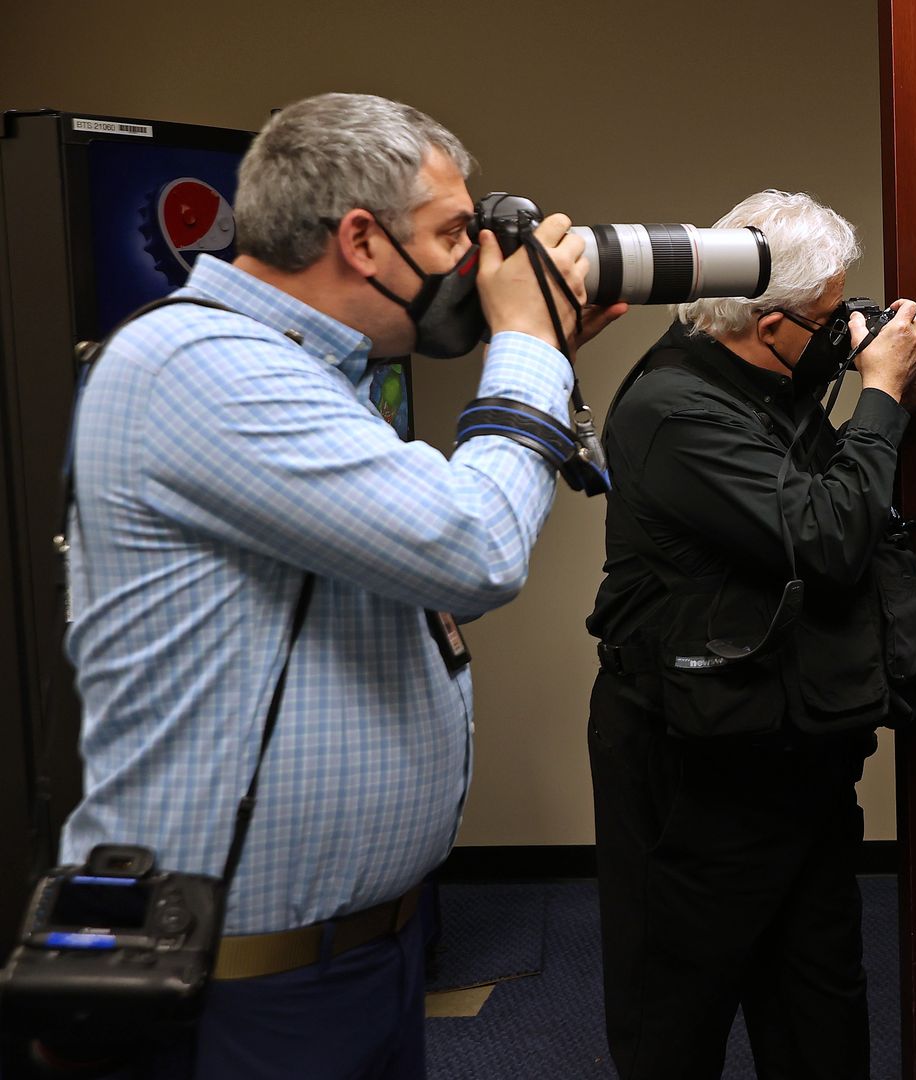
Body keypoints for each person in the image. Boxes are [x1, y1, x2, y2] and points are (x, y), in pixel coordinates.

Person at [57, 92, 621, 1077]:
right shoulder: (200, 363)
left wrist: (541, 352)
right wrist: (525, 348)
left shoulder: (317, 376)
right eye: (453, 232)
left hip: (350, 959)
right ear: (361, 240)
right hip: (236, 985)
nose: (473, 259)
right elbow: (473, 546)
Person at [584, 189, 916, 1079]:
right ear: (763, 320)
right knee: (677, 1011)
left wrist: (897, 401)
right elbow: (827, 538)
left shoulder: (765, 377)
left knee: (819, 1001)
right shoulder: (675, 410)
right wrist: (878, 393)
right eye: (828, 318)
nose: (844, 335)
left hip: (794, 748)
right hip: (695, 768)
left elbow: (814, 493)